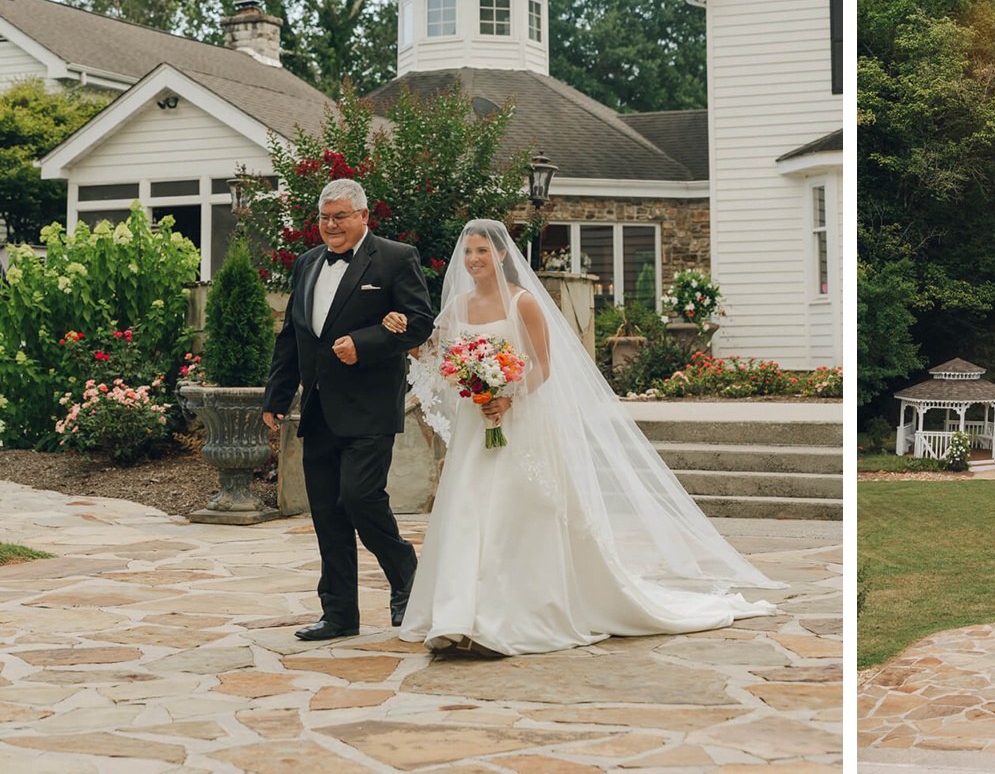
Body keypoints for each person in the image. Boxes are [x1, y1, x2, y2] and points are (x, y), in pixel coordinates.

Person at [391, 220, 778, 655]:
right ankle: (457, 617)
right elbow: (434, 355)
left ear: (502, 255)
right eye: (469, 253)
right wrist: (400, 330)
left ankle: (507, 616)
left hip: (517, 423)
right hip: (474, 426)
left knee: (513, 513)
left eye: (482, 251)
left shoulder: (524, 304)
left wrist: (508, 399)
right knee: (465, 512)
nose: (474, 259)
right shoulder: (459, 306)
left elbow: (542, 367)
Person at [262, 178, 437, 641]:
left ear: (363, 217)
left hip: (369, 407)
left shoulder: (397, 258)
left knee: (360, 497)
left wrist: (365, 344)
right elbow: (292, 338)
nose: (331, 225)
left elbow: (419, 321)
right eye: (324, 218)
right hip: (318, 410)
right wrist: (276, 399)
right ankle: (339, 614)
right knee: (327, 513)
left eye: (340, 216)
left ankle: (406, 575)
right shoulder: (305, 264)